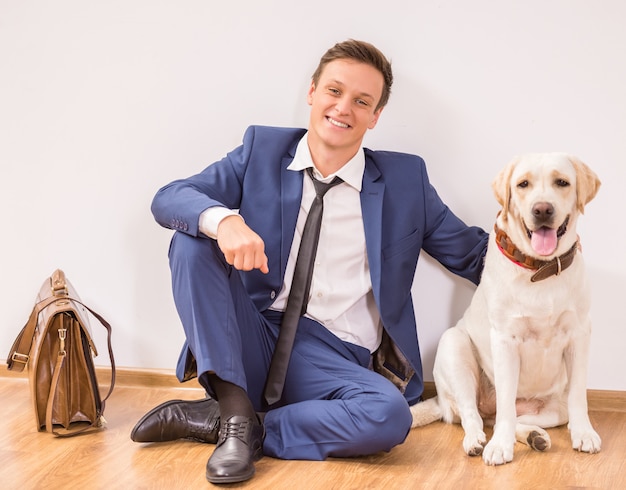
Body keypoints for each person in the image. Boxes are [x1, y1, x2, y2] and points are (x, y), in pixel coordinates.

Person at [131, 39, 488, 484]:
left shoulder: (404, 180)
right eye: (334, 91)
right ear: (313, 91)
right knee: (192, 242)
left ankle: (239, 427)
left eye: (362, 101)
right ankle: (237, 414)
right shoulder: (261, 150)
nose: (344, 108)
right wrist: (223, 222)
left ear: (375, 116)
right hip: (255, 334)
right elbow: (171, 197)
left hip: (334, 358)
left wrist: (549, 254)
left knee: (390, 416)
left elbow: (472, 253)